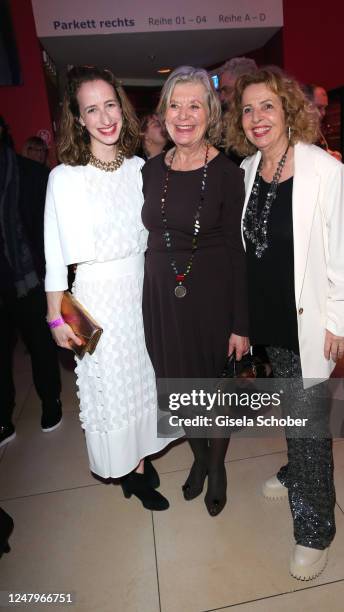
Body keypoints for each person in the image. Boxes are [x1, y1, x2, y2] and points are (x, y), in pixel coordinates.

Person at [225, 68, 344, 579]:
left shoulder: (323, 171)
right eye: (248, 109)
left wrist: (340, 321)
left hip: (306, 323)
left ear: (287, 110)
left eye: (267, 106)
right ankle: (295, 470)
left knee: (308, 423)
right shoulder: (245, 171)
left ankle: (314, 529)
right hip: (264, 324)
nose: (258, 118)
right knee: (294, 412)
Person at [44, 65, 172, 511]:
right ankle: (131, 474)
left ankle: (138, 456)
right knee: (113, 389)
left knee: (143, 382)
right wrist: (56, 315)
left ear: (122, 106)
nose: (104, 117)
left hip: (143, 291)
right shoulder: (65, 178)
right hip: (97, 297)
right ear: (78, 118)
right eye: (91, 109)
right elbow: (54, 254)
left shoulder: (140, 169)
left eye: (110, 104)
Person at [142, 66, 249, 516]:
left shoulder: (227, 172)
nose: (183, 115)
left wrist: (241, 323)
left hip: (211, 298)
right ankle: (200, 458)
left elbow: (238, 252)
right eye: (175, 105)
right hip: (162, 300)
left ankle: (217, 466)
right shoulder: (148, 171)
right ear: (163, 112)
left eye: (194, 105)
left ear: (210, 113)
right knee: (179, 390)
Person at [0, 116, 62, 448]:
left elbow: (50, 231)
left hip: (30, 278)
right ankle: (2, 416)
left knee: (40, 344)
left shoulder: (33, 173)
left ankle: (51, 401)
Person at [304, 83, 342, 161]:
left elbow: (316, 150)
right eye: (319, 107)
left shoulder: (314, 128)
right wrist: (329, 158)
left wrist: (330, 154)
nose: (324, 112)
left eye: (325, 108)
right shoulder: (295, 130)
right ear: (305, 105)